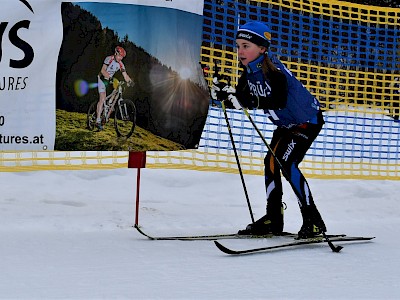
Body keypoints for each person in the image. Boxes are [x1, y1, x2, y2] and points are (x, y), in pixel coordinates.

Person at [218, 21, 327, 239]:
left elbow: (277, 100)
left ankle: (313, 220)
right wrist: (224, 94)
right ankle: (273, 218)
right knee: (270, 163)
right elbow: (242, 98)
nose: (240, 51)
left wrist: (247, 100)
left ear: (262, 48)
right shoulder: (248, 71)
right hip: (285, 125)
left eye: (246, 46)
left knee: (286, 163)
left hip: (306, 122)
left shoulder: (274, 70)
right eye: (238, 45)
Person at [96, 46, 133, 129]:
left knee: (118, 88)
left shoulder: (121, 64)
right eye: (119, 56)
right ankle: (97, 120)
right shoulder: (109, 58)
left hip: (110, 79)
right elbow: (103, 70)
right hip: (102, 78)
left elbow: (125, 75)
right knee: (102, 98)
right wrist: (109, 77)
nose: (120, 58)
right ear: (116, 53)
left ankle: (110, 104)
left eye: (122, 57)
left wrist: (130, 81)